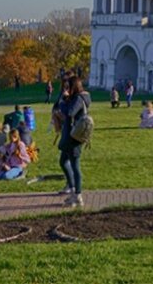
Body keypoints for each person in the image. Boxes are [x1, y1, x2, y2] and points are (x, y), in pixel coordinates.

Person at [55, 75, 90, 207]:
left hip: (73, 137)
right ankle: (72, 189)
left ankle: (78, 194)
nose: (66, 89)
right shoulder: (78, 98)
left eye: (68, 86)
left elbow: (70, 113)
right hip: (71, 135)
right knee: (63, 161)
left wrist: (64, 100)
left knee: (75, 165)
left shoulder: (79, 99)